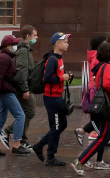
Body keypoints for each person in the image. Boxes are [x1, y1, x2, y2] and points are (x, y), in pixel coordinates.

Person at [71, 42, 110, 174]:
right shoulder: (107, 67)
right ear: (109, 54)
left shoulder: (100, 66)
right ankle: (80, 161)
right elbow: (107, 84)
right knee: (104, 137)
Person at [32, 32, 73, 167]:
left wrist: (66, 77)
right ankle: (50, 157)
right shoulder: (52, 60)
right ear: (57, 43)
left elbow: (57, 76)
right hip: (51, 98)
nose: (67, 44)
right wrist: (63, 78)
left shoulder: (59, 59)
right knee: (55, 127)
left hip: (57, 97)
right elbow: (47, 79)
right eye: (65, 42)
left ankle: (40, 145)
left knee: (63, 125)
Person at [0, 35, 32, 156]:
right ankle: (17, 145)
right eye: (14, 45)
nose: (15, 47)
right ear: (8, 46)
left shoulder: (5, 57)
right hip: (6, 92)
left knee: (0, 119)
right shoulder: (5, 58)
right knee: (20, 115)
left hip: (4, 92)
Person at [1, 25, 38, 149]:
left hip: (24, 85)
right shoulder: (23, 50)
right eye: (35, 35)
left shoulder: (25, 48)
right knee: (29, 111)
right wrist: (25, 89)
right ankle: (7, 131)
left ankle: (22, 140)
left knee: (25, 112)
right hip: (22, 86)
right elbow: (22, 70)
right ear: (28, 36)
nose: (36, 38)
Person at [75, 35, 107, 146]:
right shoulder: (98, 58)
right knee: (100, 115)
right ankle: (94, 133)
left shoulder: (94, 57)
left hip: (94, 88)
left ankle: (87, 131)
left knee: (98, 115)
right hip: (97, 89)